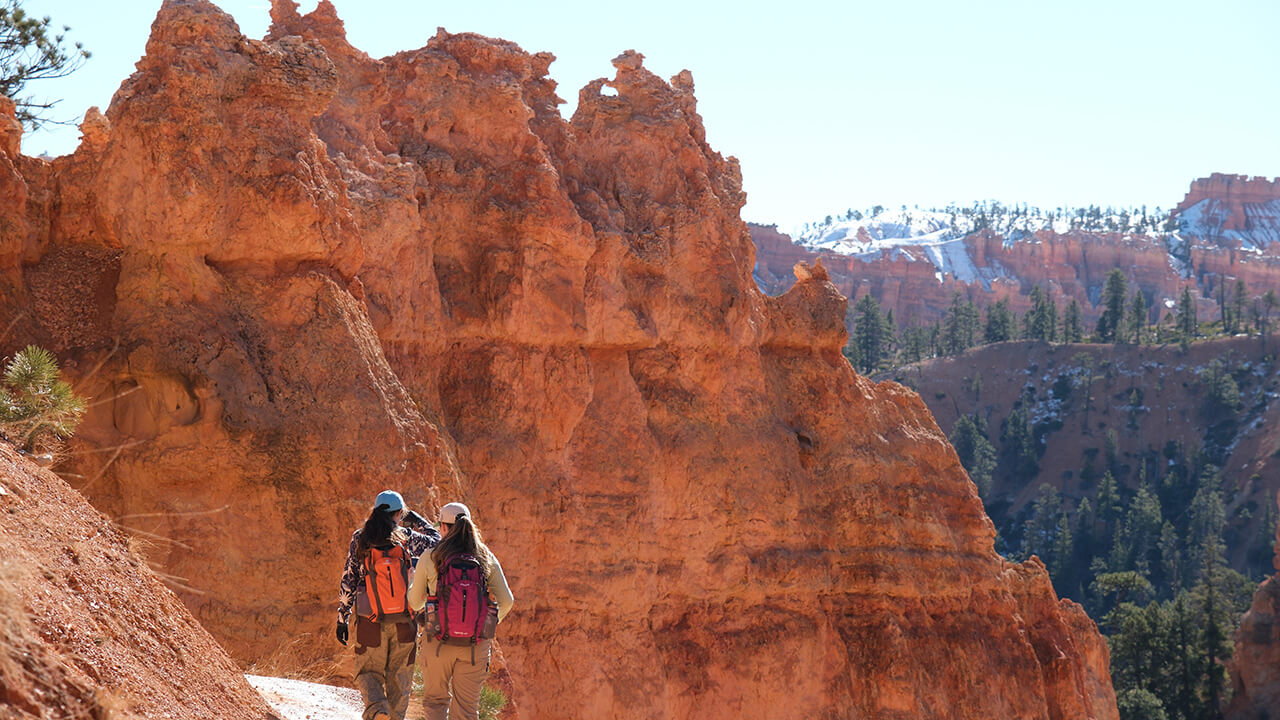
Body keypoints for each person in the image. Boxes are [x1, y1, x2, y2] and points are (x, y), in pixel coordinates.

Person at [336, 490, 440, 720]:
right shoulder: (406, 537)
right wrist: (416, 519)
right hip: (405, 619)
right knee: (400, 677)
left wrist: (342, 618)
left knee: (368, 671)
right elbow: (437, 541)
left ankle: (377, 710)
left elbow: (349, 579)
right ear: (399, 513)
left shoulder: (360, 538)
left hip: (370, 619)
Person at [408, 502, 514, 720]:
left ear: (444, 527)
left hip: (437, 640)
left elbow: (414, 602)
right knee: (466, 711)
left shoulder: (431, 556)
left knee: (435, 703)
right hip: (475, 644)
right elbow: (506, 601)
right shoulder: (485, 557)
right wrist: (483, 625)